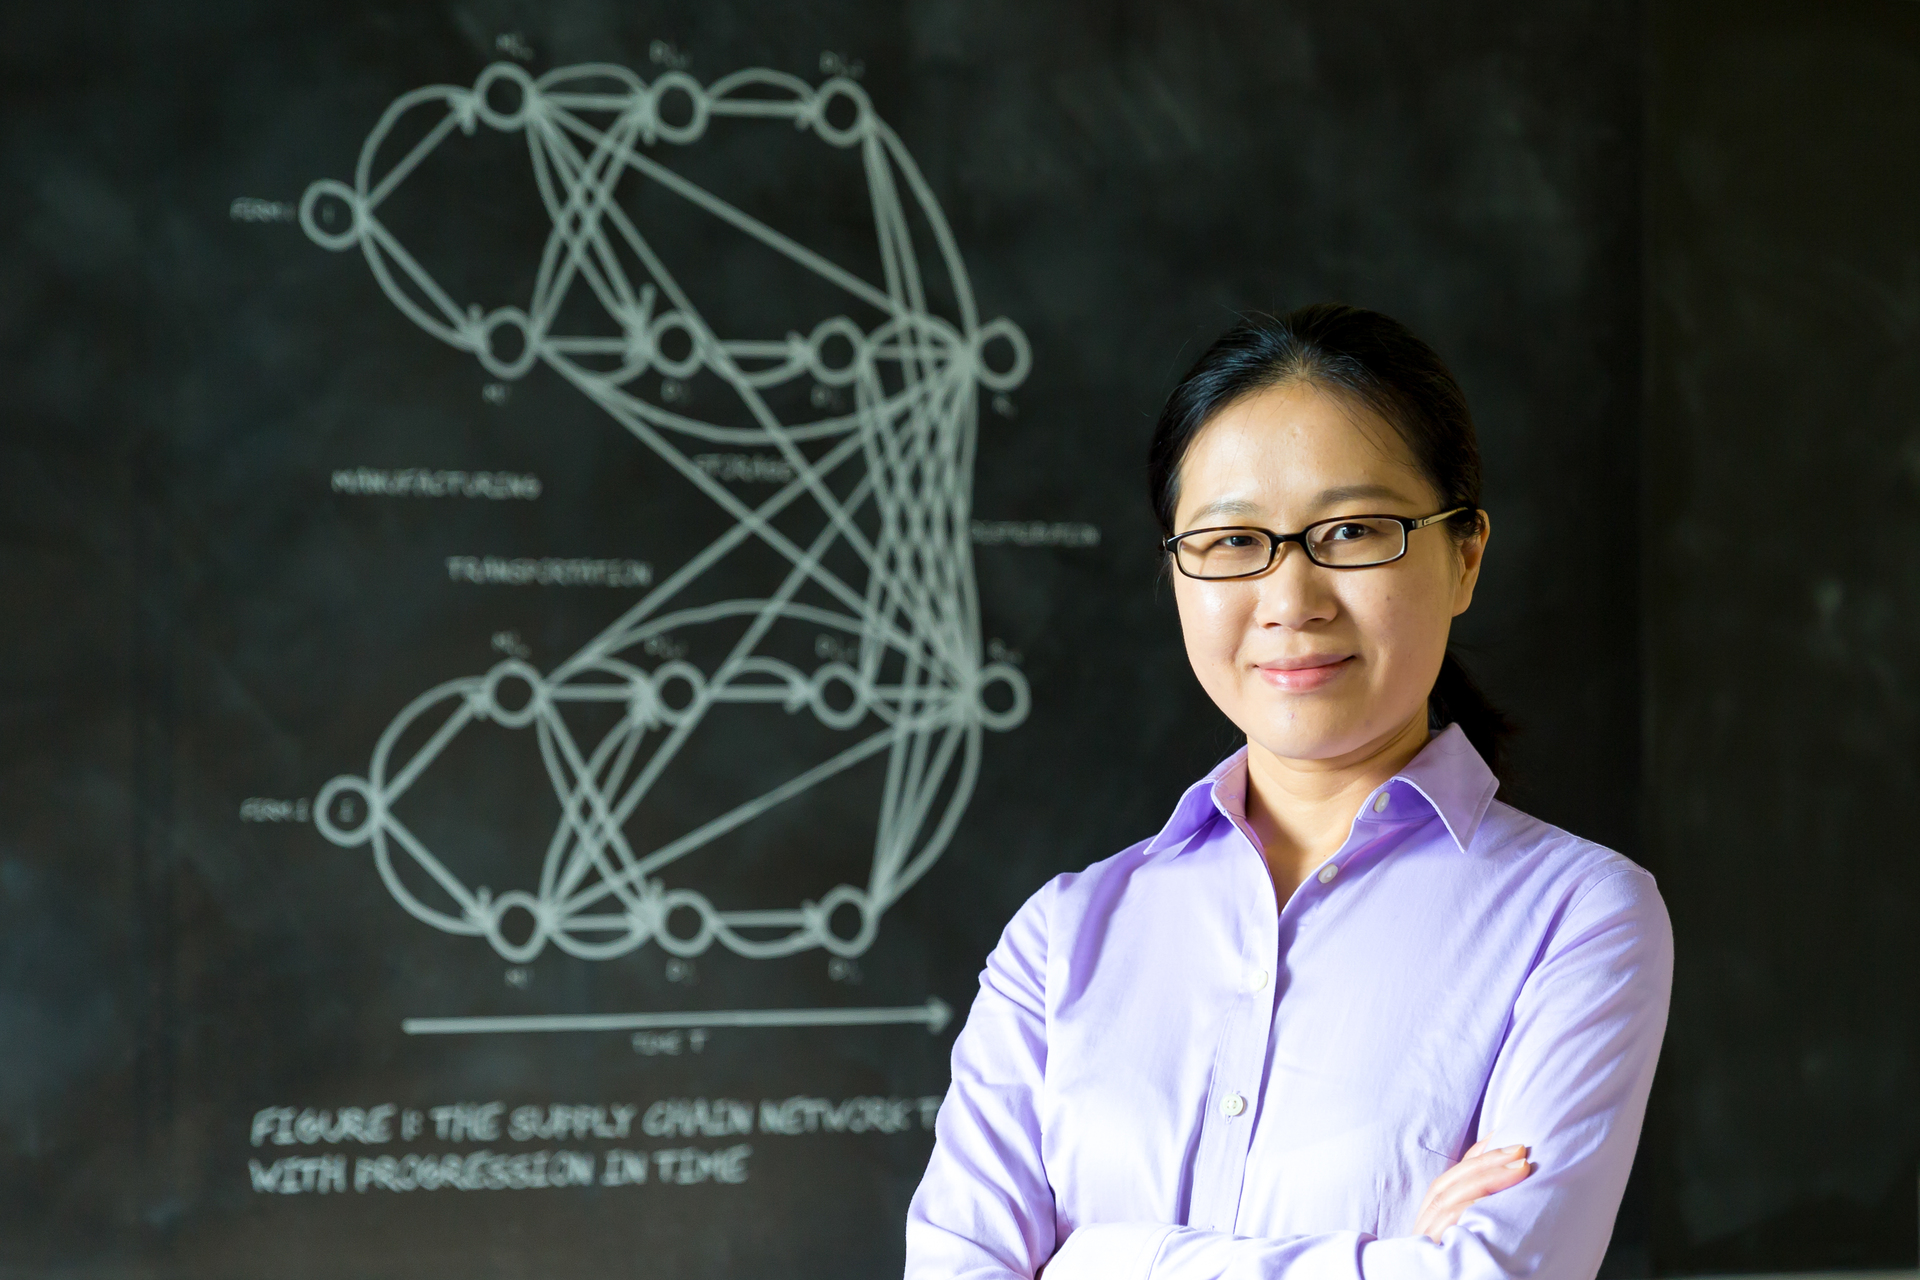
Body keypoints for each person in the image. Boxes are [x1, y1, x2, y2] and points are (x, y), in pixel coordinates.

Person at [904, 304, 1672, 1280]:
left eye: (1353, 529)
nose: (1291, 597)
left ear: (1465, 555)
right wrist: (1388, 1257)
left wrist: (1090, 1256)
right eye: (1231, 541)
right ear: (1177, 572)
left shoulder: (1578, 914)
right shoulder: (1059, 940)